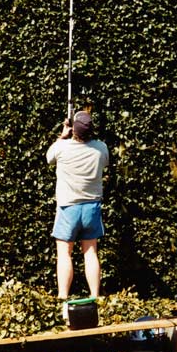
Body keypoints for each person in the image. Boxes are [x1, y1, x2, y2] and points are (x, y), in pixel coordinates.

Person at [46, 111, 109, 314]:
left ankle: (62, 298)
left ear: (74, 129)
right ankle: (95, 296)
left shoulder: (62, 148)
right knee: (91, 252)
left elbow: (49, 158)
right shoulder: (101, 148)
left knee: (65, 253)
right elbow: (105, 162)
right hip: (91, 207)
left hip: (68, 207)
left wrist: (62, 135)